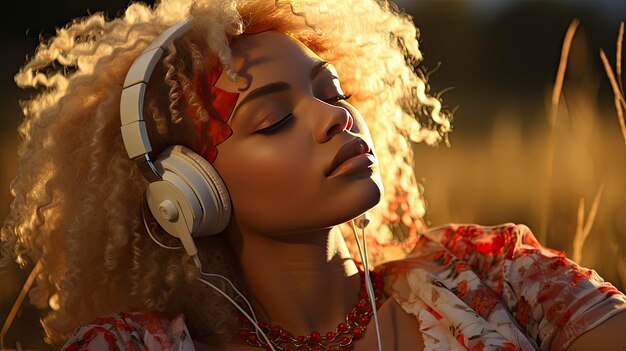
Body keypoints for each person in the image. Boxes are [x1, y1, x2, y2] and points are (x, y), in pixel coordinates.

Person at [1, 0, 624, 350]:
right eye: (272, 119)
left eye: (333, 92)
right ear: (185, 194)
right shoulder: (135, 349)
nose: (333, 119)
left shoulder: (498, 275)